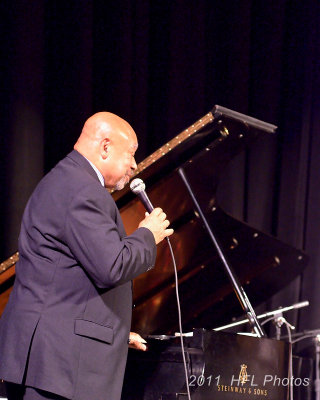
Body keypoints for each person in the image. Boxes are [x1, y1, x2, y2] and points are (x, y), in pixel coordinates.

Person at [0, 112, 174, 400]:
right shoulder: (83, 190)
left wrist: (116, 333)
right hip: (58, 365)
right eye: (130, 153)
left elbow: (69, 279)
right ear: (105, 147)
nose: (134, 163)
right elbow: (111, 266)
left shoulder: (68, 180)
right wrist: (147, 234)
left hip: (53, 360)